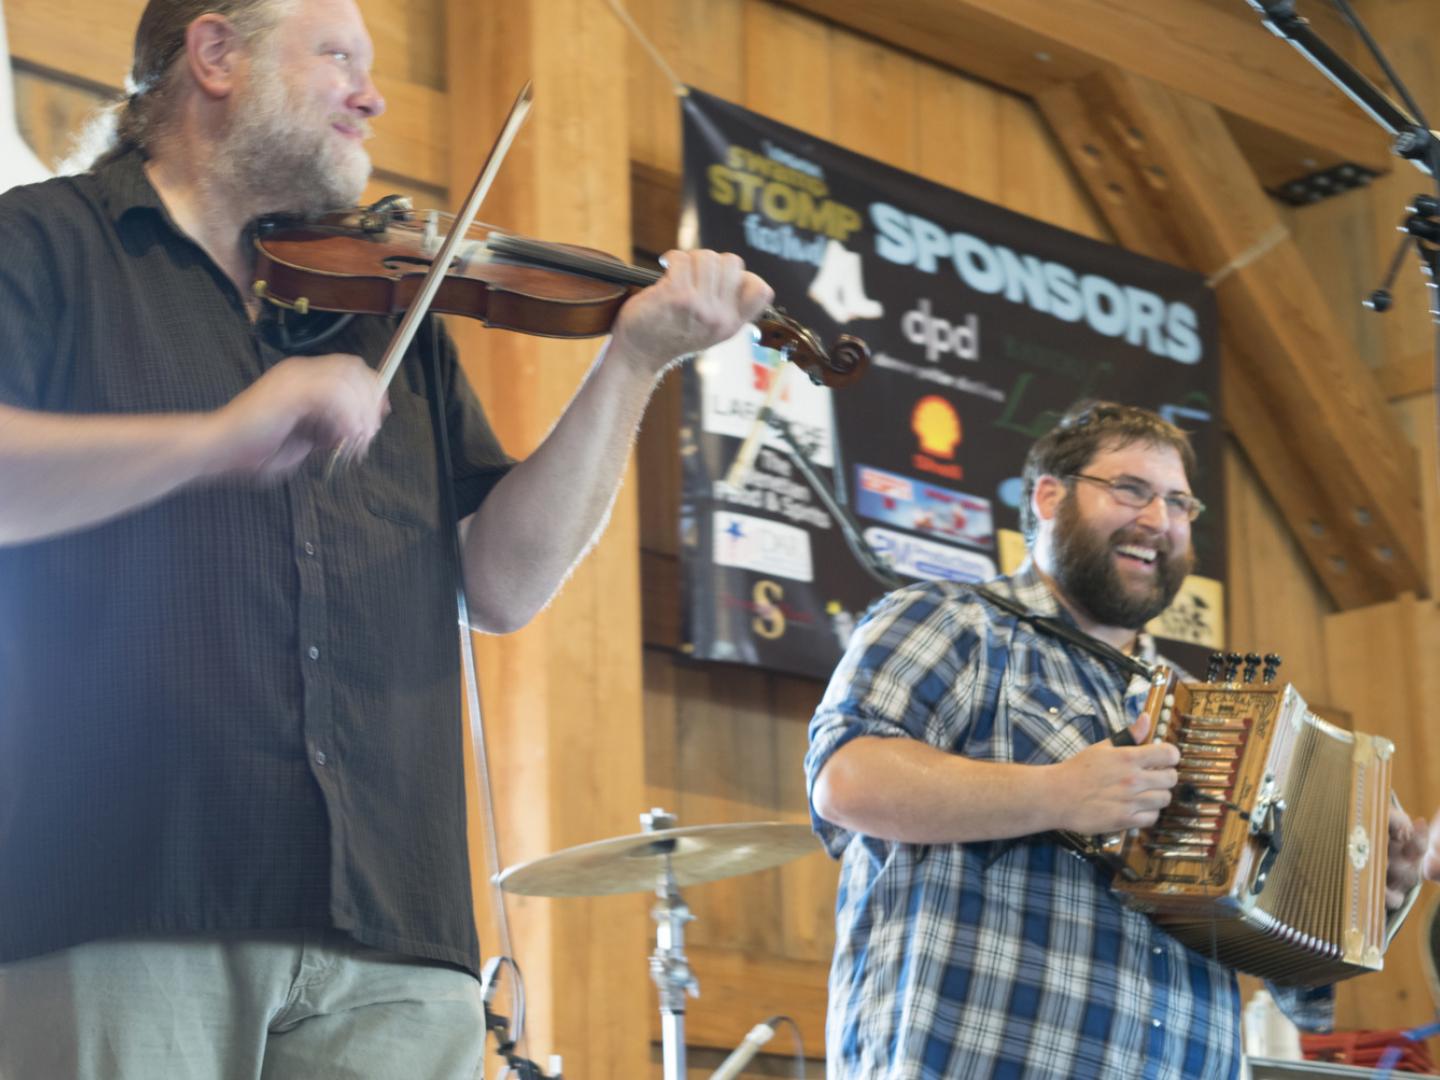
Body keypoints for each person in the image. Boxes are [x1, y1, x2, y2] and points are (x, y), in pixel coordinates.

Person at [0, 1, 772, 1077]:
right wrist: (220, 438)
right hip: (130, 899)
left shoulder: (389, 320)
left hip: (397, 939)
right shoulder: (38, 242)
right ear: (215, 54)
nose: (372, 95)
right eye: (338, 60)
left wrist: (634, 361)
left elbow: (502, 584)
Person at [805, 401, 1428, 1079]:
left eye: (1180, 504)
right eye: (1130, 490)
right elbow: (847, 781)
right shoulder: (955, 621)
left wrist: (1373, 892)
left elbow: (1285, 962)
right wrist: (1056, 794)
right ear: (1048, 496)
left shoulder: (1209, 711)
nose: (1158, 521)